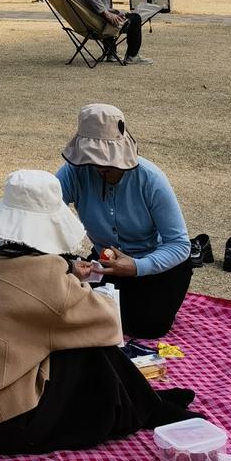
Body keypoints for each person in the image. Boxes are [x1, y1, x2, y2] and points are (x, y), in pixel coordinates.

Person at [0, 170, 198, 454]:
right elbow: (107, 325)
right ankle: (146, 409)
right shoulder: (41, 273)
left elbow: (17, 293)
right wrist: (69, 279)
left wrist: (65, 272)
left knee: (66, 337)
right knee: (88, 351)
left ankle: (145, 401)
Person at [57, 103, 192, 339]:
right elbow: (46, 208)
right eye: (91, 160)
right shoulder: (75, 172)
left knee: (146, 327)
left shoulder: (150, 179)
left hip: (157, 263)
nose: (99, 168)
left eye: (105, 161)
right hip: (106, 263)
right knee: (79, 314)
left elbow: (179, 245)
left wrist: (138, 267)